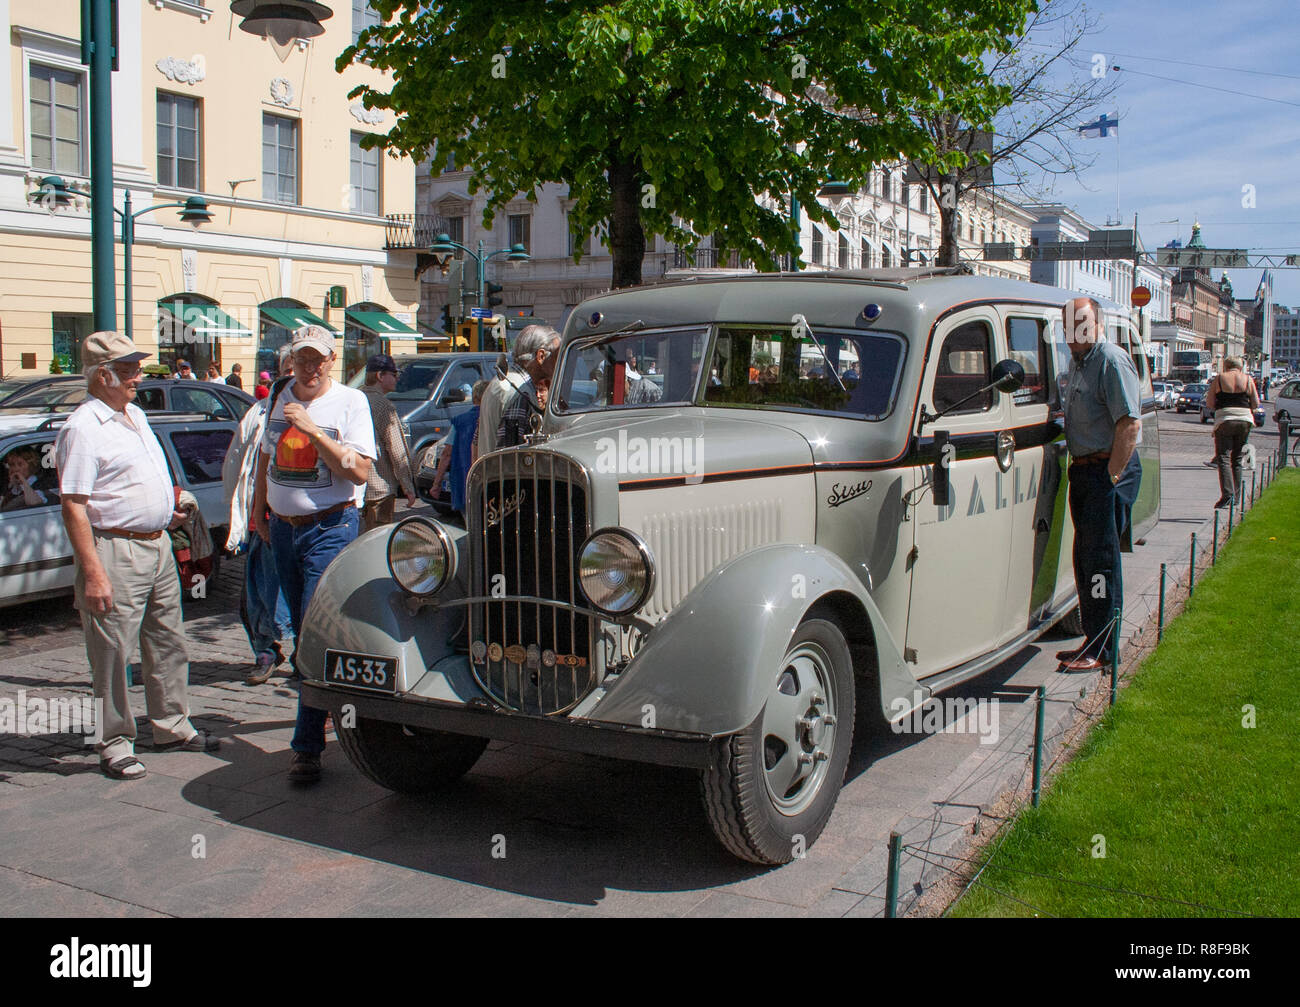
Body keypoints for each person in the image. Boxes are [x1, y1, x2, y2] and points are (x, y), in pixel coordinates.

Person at [55, 331, 220, 780]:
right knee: (111, 652)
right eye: (128, 369)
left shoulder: (134, 414)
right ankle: (113, 742)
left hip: (157, 544)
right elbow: (73, 505)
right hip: (116, 549)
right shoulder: (84, 427)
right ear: (102, 374)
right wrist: (93, 573)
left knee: (168, 641)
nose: (139, 375)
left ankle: (171, 725)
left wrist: (168, 501)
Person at [251, 325, 375, 783]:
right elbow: (266, 456)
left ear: (331, 359)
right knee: (306, 629)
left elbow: (360, 472)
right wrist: (258, 511)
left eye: (318, 358)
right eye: (302, 357)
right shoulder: (279, 394)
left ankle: (306, 747)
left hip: (330, 527)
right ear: (291, 360)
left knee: (310, 633)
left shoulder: (350, 402)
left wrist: (312, 430)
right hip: (283, 530)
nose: (310, 366)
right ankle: (336, 709)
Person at [1055, 297, 1143, 673]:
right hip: (1086, 472)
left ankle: (1104, 650)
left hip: (1107, 473)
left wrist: (1111, 477)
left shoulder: (1109, 359)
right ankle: (1092, 640)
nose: (1075, 331)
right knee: (1087, 562)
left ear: (1097, 324)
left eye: (1082, 323)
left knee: (1102, 567)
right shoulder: (1078, 363)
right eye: (1069, 324)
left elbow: (1129, 425)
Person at [222, 372, 294, 686]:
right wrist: (240, 519)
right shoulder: (258, 417)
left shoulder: (307, 422)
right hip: (258, 524)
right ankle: (265, 652)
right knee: (254, 596)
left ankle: (304, 657)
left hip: (294, 526)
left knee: (289, 595)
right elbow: (236, 464)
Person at [359, 353, 417, 531]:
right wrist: (407, 486)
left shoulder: (354, 399)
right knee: (378, 540)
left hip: (354, 486)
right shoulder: (383, 405)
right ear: (380, 376)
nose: (397, 378)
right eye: (394, 374)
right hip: (379, 487)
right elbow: (396, 449)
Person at [1204, 356, 1260, 509]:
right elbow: (1255, 403)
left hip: (1225, 418)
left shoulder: (1221, 378)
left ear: (1226, 366)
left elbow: (1209, 402)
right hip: (1245, 419)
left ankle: (1227, 495)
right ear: (1240, 367)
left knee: (1223, 457)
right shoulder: (1248, 379)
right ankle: (1237, 496)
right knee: (1237, 458)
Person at [498, 326, 561, 447]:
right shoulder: (521, 392)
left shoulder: (501, 382)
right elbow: (511, 452)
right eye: (556, 357)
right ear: (541, 356)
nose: (558, 364)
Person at [432, 379, 487, 517]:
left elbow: (446, 454)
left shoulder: (461, 421)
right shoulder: (496, 418)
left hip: (466, 481)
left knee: (471, 524)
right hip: (490, 480)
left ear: (474, 398)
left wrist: (436, 484)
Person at [477, 351, 527, 456]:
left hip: (488, 466)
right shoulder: (518, 391)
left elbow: (475, 441)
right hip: (501, 468)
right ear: (540, 356)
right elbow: (509, 451)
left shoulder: (495, 385)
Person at [3, 445, 58, 511]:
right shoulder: (14, 487)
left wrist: (23, 482)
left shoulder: (40, 484)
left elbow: (34, 503)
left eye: (20, 464)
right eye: (12, 465)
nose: (15, 468)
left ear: (31, 465)